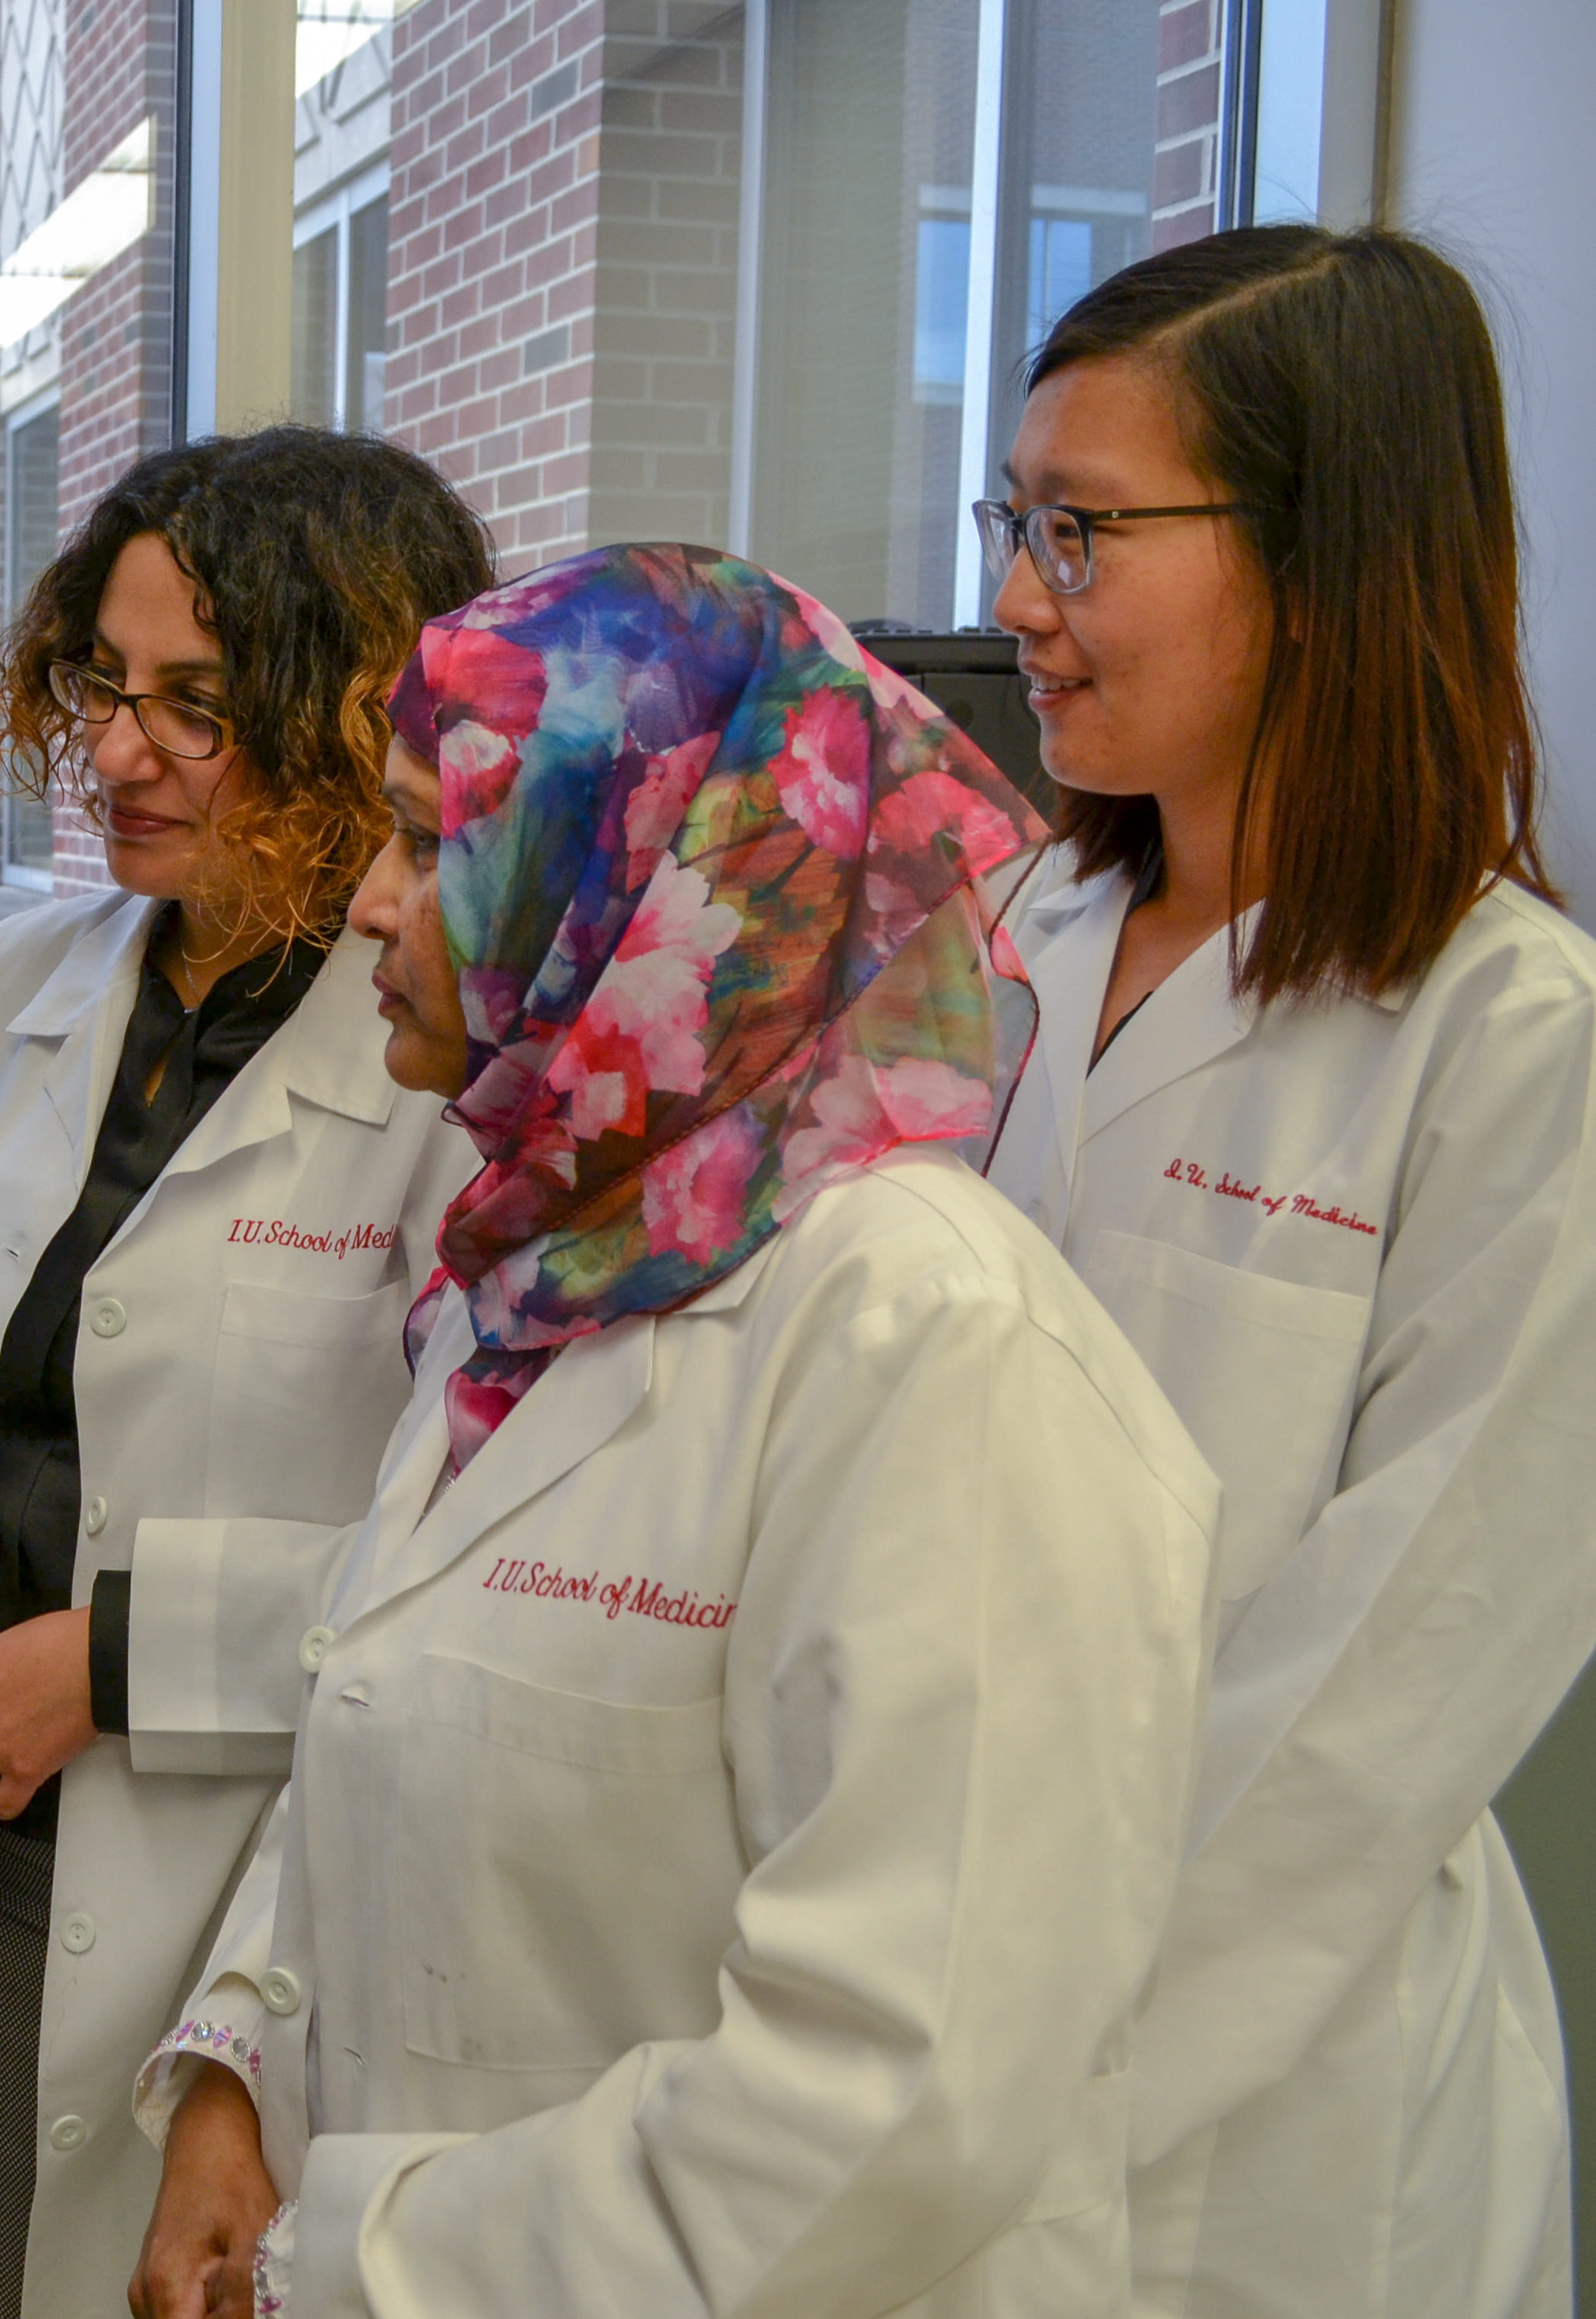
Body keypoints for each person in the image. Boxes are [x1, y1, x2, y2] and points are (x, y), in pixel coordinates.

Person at [126, 545, 1222, 2319]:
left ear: (630, 881)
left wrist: (359, 2258)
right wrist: (240, 2067)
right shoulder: (545, 1277)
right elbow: (385, 1717)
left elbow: (894, 2094)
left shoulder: (925, 1348)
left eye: (432, 842)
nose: (369, 907)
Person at [976, 224, 1596, 2319]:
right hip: (918, 1975)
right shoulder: (1011, 960)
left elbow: (1391, 1675)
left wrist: (1006, 2048)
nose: (1010, 606)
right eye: (1011, 519)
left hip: (1270, 2107)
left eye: (1077, 533)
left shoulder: (1511, 1035)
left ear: (1320, 548)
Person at [0, 430, 492, 2319]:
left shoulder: (450, 1078)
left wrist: (120, 1656)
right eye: (106, 693)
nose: (119, 755)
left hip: (241, 1874)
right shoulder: (6, 994)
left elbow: (483, 1555)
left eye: (198, 708)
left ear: (355, 717)